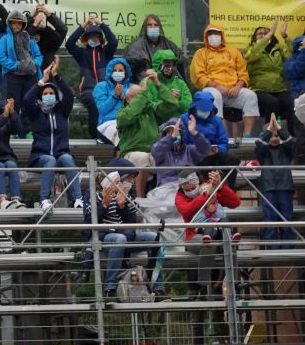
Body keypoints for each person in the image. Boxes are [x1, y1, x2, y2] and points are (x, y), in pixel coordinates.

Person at [85, 161, 164, 299]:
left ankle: (157, 287)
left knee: (155, 237)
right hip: (105, 236)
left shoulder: (128, 195)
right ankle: (110, 288)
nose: (131, 181)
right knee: (120, 239)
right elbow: (89, 222)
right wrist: (104, 204)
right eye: (128, 178)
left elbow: (131, 223)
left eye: (133, 178)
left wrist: (123, 206)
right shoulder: (93, 195)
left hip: (126, 235)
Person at [23, 57, 84, 212]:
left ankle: (78, 199)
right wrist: (42, 81)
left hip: (61, 154)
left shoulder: (62, 111)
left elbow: (69, 96)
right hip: (40, 157)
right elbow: (26, 99)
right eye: (45, 93)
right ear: (41, 96)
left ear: (56, 96)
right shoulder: (35, 113)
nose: (48, 95)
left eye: (52, 93)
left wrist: (56, 76)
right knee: (50, 160)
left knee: (68, 158)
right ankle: (44, 199)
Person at [175, 168, 241, 299]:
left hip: (218, 232)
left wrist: (220, 187)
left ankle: (232, 278)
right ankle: (203, 285)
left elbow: (235, 203)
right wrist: (205, 196)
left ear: (198, 182)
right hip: (194, 236)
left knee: (228, 244)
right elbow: (186, 211)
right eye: (186, 190)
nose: (189, 192)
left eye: (192, 188)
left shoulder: (210, 187)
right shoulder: (180, 196)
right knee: (208, 246)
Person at [190, 23, 258, 137]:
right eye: (210, 34)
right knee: (214, 96)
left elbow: (243, 73)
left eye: (216, 33)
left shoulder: (234, 52)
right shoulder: (200, 53)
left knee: (251, 96)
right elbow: (198, 75)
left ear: (222, 35)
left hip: (233, 90)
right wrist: (216, 86)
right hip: (213, 88)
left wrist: (238, 87)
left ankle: (247, 136)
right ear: (206, 36)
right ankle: (221, 135)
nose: (213, 36)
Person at [117, 75, 179, 194]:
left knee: (173, 158)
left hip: (154, 152)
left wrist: (158, 85)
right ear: (128, 99)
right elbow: (132, 114)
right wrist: (143, 94)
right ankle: (140, 199)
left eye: (143, 95)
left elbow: (172, 105)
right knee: (142, 158)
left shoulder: (151, 110)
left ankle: (168, 197)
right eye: (138, 96)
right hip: (132, 153)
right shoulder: (122, 114)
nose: (142, 98)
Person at [66, 16, 118, 139]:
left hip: (106, 89)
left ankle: (109, 136)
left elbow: (114, 41)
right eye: (90, 36)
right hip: (87, 90)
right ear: (85, 39)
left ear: (100, 39)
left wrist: (101, 24)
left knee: (111, 103)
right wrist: (83, 26)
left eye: (96, 36)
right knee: (95, 103)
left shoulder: (106, 52)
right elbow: (69, 44)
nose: (93, 38)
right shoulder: (82, 53)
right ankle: (95, 136)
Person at [180, 91, 241, 189]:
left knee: (233, 159)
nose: (204, 112)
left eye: (207, 110)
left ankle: (227, 189)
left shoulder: (216, 120)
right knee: (203, 161)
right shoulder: (184, 119)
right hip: (194, 156)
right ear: (194, 107)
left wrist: (218, 149)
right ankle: (206, 189)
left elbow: (223, 142)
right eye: (201, 109)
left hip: (213, 155)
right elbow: (182, 143)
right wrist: (198, 149)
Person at [0, 9, 43, 133]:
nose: (16, 25)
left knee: (29, 103)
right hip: (13, 76)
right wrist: (16, 65)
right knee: (13, 103)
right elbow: (1, 57)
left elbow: (39, 56)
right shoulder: (5, 39)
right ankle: (12, 131)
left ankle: (28, 132)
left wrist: (34, 64)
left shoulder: (30, 39)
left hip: (30, 75)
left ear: (23, 25)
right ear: (9, 24)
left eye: (19, 23)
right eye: (14, 23)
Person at [255, 114, 296, 245]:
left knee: (287, 219)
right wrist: (269, 130)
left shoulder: (286, 150)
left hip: (285, 188)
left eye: (277, 136)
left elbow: (292, 142)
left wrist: (279, 129)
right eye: (272, 136)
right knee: (270, 220)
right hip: (268, 188)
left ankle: (288, 249)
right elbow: (259, 144)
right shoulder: (263, 152)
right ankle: (272, 248)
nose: (274, 138)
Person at [245, 19, 293, 125]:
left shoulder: (278, 48)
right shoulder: (251, 49)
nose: (263, 35)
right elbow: (251, 56)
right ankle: (268, 135)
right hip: (259, 89)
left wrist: (285, 36)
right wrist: (268, 36)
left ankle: (292, 137)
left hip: (278, 88)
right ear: (254, 37)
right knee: (272, 102)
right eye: (260, 34)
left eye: (266, 33)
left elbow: (291, 57)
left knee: (291, 102)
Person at [151, 117, 211, 186]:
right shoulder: (162, 152)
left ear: (182, 134)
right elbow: (155, 151)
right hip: (166, 189)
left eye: (175, 131)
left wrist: (195, 133)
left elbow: (206, 149)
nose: (173, 134)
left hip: (188, 188)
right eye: (169, 132)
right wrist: (171, 138)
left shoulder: (190, 150)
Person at [124, 14, 185, 80]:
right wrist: (146, 73)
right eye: (150, 25)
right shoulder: (136, 45)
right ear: (145, 27)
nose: (153, 27)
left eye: (156, 25)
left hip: (166, 81)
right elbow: (129, 66)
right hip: (145, 83)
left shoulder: (167, 43)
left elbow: (180, 59)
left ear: (159, 27)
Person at [92, 58, 132, 145]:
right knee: (121, 134)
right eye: (114, 70)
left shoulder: (132, 87)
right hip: (106, 125)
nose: (117, 72)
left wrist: (124, 99)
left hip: (128, 123)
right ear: (110, 72)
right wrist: (114, 96)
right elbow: (102, 109)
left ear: (126, 72)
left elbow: (136, 109)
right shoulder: (101, 87)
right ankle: (120, 157)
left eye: (120, 70)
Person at [149, 49, 191, 121]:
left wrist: (179, 100)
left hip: (177, 124)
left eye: (172, 64)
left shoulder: (180, 83)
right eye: (167, 64)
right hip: (155, 124)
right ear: (158, 65)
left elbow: (188, 107)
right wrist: (168, 99)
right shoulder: (149, 83)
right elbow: (147, 107)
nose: (170, 67)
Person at [26, 3, 68, 72]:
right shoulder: (25, 36)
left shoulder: (49, 37)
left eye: (40, 21)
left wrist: (49, 15)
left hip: (47, 74)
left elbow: (63, 30)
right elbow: (20, 32)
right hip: (29, 74)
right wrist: (32, 18)